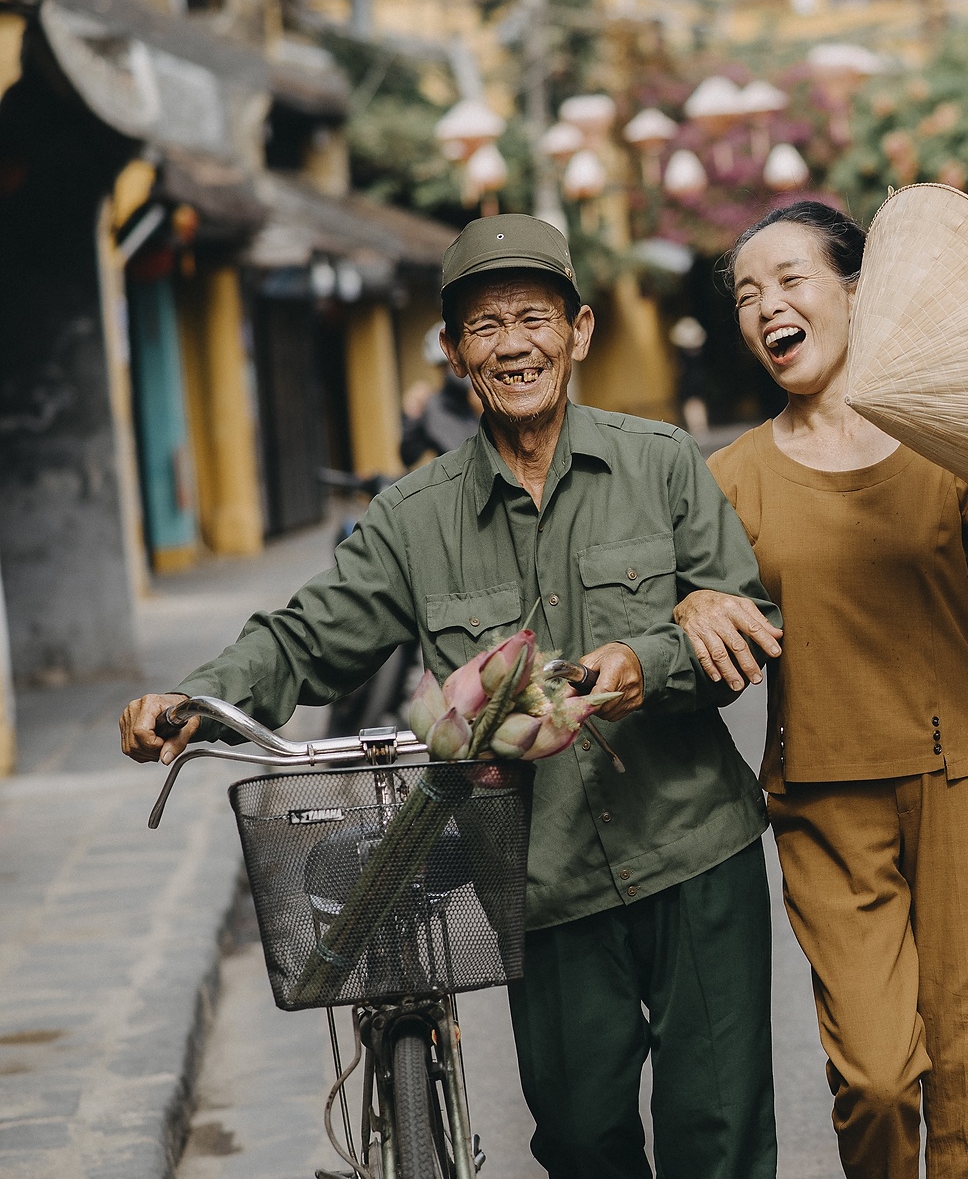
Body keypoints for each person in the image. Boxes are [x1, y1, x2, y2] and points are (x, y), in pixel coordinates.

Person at [118, 214, 781, 1179]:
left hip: (695, 852)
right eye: (484, 326)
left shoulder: (662, 462)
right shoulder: (413, 518)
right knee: (581, 1139)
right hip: (543, 880)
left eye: (533, 318)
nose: (512, 346)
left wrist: (651, 661)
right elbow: (305, 637)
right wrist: (197, 697)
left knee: (719, 1135)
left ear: (579, 330)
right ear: (453, 351)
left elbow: (746, 625)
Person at [685, 201, 968, 1179]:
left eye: (791, 279)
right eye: (747, 295)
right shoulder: (729, 479)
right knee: (874, 1078)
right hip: (822, 800)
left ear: (856, 292)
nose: (768, 306)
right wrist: (691, 607)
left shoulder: (943, 439)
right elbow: (693, 617)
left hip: (964, 784)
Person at [401, 324, 482, 465]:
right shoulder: (432, 406)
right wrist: (411, 417)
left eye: (460, 361)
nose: (455, 370)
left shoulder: (486, 396)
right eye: (447, 365)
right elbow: (408, 457)